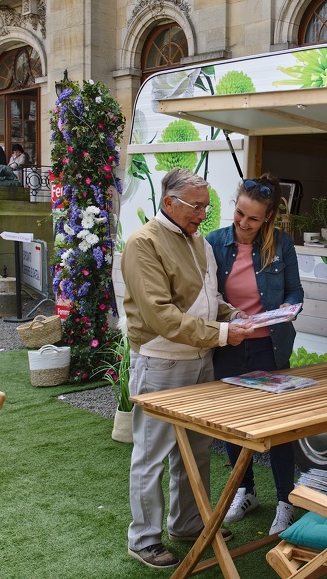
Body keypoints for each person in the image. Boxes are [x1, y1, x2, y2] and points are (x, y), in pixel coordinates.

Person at [122, 168, 254, 570]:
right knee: (152, 454)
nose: (203, 215)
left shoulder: (197, 239)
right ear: (169, 203)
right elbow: (161, 316)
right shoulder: (143, 243)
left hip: (200, 359)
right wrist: (222, 332)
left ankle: (187, 524)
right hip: (161, 361)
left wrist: (234, 315)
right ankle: (143, 539)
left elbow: (209, 297)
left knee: (196, 450)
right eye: (196, 206)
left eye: (206, 206)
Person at [205, 173, 305, 535]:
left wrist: (284, 311)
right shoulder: (214, 242)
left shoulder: (282, 245)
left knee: (278, 428)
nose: (243, 224)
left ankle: (285, 500)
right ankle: (245, 491)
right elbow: (206, 297)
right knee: (233, 426)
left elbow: (296, 293)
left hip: (269, 348)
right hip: (230, 344)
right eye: (239, 214)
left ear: (268, 218)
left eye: (253, 218)